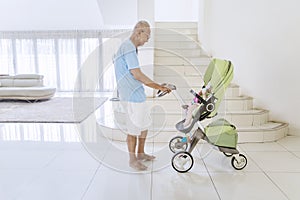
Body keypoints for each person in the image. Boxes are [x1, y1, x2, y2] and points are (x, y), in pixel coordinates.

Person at [114, 20, 171, 170]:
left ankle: (140, 153)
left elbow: (135, 75)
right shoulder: (128, 48)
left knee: (144, 125)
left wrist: (157, 86)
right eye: (148, 36)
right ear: (139, 32)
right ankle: (132, 160)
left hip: (138, 95)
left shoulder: (131, 48)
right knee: (133, 129)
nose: (147, 40)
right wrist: (158, 86)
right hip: (131, 97)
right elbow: (137, 74)